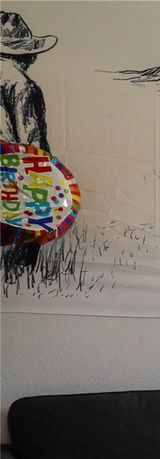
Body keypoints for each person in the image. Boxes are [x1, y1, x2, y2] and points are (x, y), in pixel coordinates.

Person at [0, 11, 57, 283]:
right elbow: (33, 145)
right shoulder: (23, 87)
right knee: (25, 245)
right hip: (10, 175)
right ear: (27, 54)